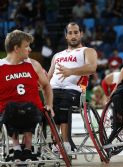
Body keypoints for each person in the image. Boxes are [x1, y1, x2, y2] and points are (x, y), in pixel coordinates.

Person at [0, 30, 54, 160]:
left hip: (32, 111)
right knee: (11, 108)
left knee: (30, 108)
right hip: (8, 113)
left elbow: (46, 86)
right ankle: (17, 147)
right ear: (16, 48)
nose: (29, 49)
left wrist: (49, 105)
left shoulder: (34, 65)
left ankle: (28, 147)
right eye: (26, 46)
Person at [48, 22, 97, 152]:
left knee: (62, 104)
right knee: (46, 108)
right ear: (66, 36)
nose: (73, 35)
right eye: (70, 33)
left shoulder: (87, 51)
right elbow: (48, 77)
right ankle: (52, 144)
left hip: (74, 90)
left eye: (76, 32)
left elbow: (92, 68)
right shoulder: (57, 55)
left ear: (81, 34)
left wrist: (71, 71)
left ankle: (65, 144)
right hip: (53, 89)